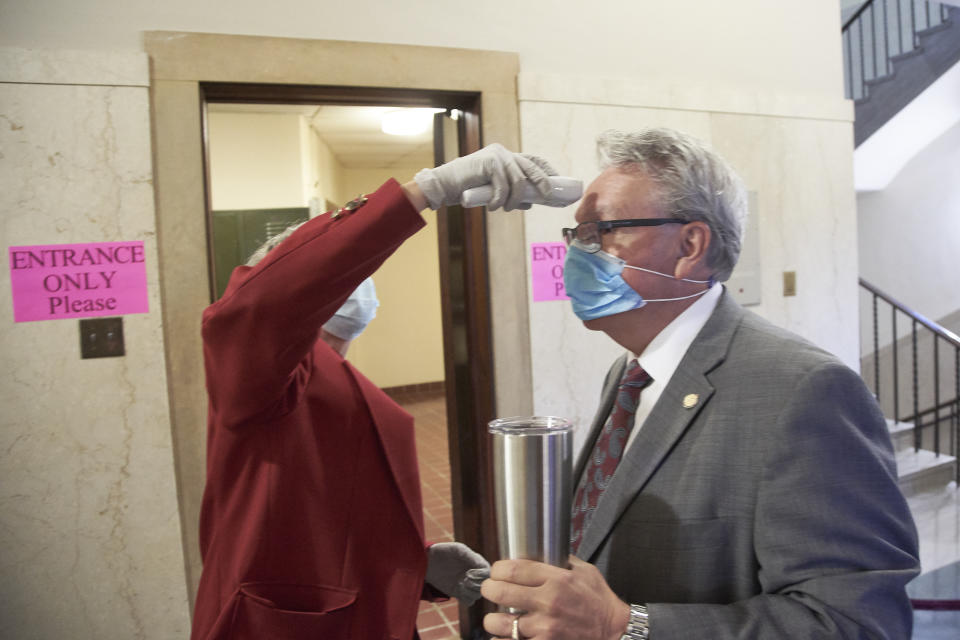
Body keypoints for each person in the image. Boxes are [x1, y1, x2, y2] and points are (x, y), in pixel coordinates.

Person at [480, 128, 920, 639]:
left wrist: (624, 626)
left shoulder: (806, 391)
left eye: (600, 230)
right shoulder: (629, 372)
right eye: (575, 234)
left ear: (690, 244)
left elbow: (857, 623)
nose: (577, 252)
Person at [191, 144, 561, 640]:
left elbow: (328, 510)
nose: (356, 283)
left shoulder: (336, 373)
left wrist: (416, 559)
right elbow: (262, 307)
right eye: (340, 273)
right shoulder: (257, 375)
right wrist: (425, 191)